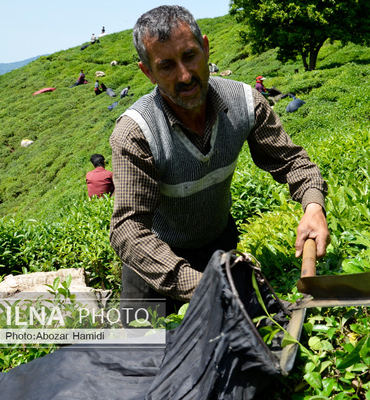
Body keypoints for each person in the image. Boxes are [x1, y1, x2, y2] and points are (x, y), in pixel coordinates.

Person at [109, 5, 329, 315]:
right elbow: (128, 230)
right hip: (152, 263)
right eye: (167, 66)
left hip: (217, 243)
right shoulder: (136, 132)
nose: (185, 76)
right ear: (148, 72)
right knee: (141, 352)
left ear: (206, 48)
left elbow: (292, 162)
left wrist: (314, 206)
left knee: (246, 337)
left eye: (190, 56)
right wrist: (198, 285)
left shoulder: (246, 103)